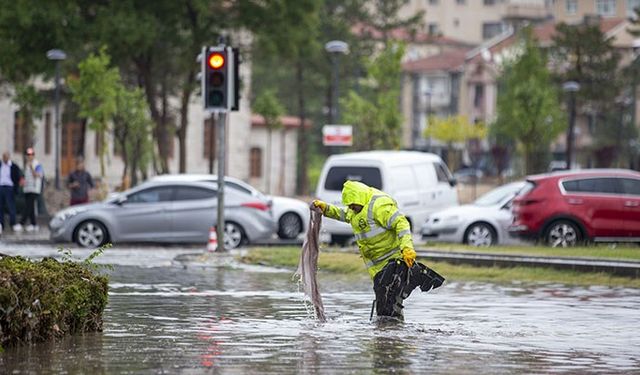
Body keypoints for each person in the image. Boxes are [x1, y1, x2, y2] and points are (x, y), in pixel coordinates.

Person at [312, 180, 444, 319]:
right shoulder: (355, 210)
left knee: (387, 304)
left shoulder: (379, 206)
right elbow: (342, 214)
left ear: (359, 199)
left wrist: (407, 248)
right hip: (377, 268)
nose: (351, 208)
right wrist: (326, 208)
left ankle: (390, 335)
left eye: (352, 205)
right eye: (349, 206)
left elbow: (401, 223)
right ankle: (391, 335)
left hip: (393, 263)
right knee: (388, 305)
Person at [20, 147, 44, 232]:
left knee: (28, 206)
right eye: (28, 155)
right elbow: (25, 176)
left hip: (34, 189)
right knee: (31, 208)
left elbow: (38, 175)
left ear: (33, 155)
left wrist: (31, 167)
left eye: (31, 154)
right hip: (27, 188)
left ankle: (21, 223)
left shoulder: (37, 164)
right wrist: (22, 182)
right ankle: (34, 224)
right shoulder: (26, 164)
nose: (29, 156)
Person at [0, 151, 24, 234]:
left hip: (10, 188)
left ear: (9, 157)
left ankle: (12, 223)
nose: (5, 158)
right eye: (3, 157)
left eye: (6, 157)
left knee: (11, 206)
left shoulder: (13, 166)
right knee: (0, 207)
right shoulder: (0, 165)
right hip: (1, 187)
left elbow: (18, 177)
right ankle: (1, 224)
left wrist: (17, 186)